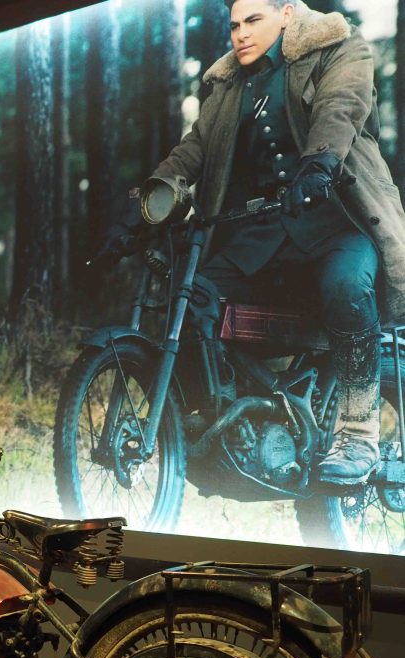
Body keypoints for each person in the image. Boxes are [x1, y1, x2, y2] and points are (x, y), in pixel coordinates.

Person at [135, 0, 405, 484]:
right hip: (262, 235)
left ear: (287, 14)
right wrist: (146, 204)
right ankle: (216, 419)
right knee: (192, 295)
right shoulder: (226, 85)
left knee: (347, 287)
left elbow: (341, 106)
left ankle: (358, 434)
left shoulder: (338, 48)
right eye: (234, 25)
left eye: (253, 20)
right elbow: (193, 149)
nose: (241, 33)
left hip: (337, 221)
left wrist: (319, 163)